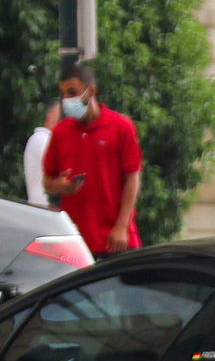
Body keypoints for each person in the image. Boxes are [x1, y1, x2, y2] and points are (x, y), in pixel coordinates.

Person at [44, 61, 142, 254]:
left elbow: (132, 178)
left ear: (91, 91)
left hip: (116, 242)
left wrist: (121, 227)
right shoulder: (60, 132)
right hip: (75, 244)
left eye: (72, 92)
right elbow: (47, 181)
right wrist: (60, 186)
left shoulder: (121, 127)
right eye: (63, 94)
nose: (66, 99)